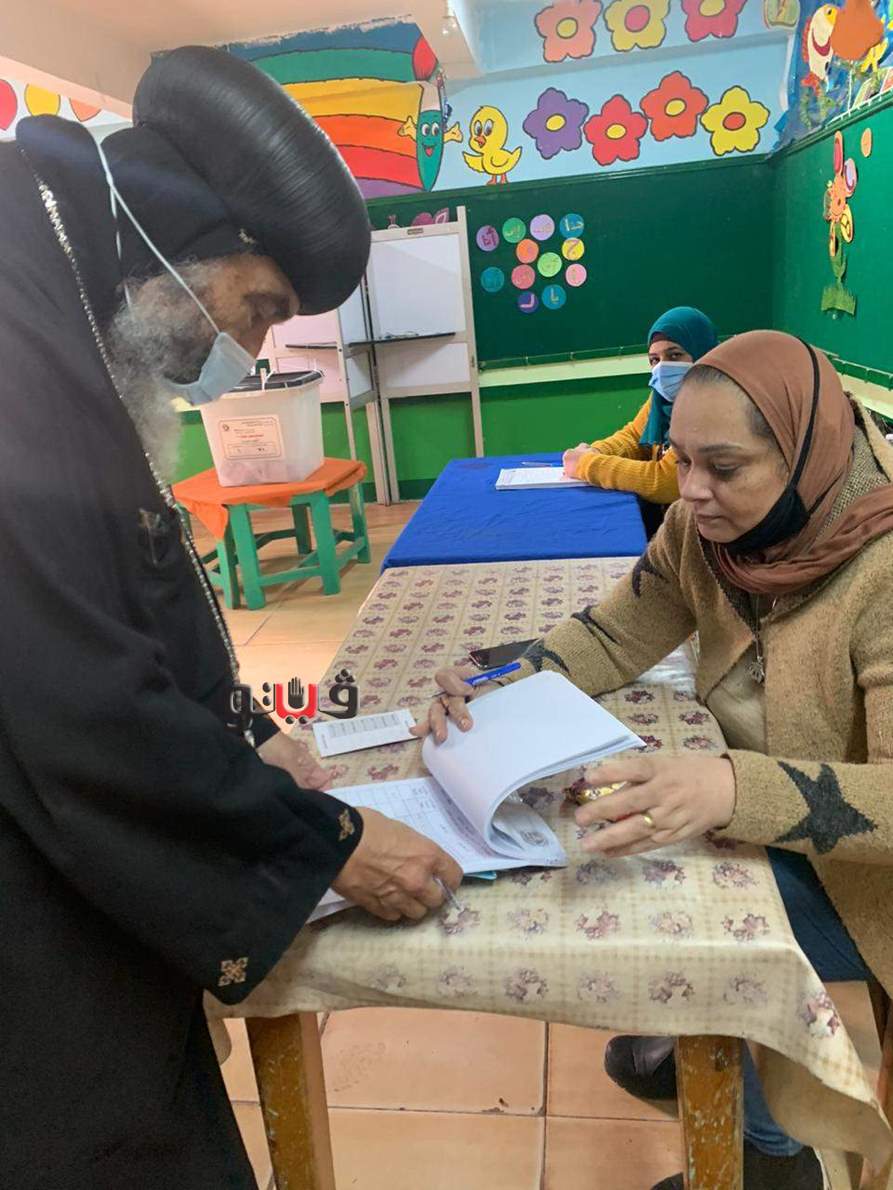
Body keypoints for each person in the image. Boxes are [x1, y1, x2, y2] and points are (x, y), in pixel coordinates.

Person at [2, 46, 462, 1189]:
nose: (250, 352)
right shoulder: (15, 335)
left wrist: (241, 734)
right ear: (184, 233)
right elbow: (72, 691)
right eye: (259, 307)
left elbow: (125, 580)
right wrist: (324, 842)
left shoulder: (64, 288)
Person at [417, 330, 893, 1190]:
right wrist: (505, 681)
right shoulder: (706, 536)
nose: (691, 491)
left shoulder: (882, 568)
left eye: (724, 467)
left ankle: (771, 1159)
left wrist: (727, 787)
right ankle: (700, 1048)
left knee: (686, 899)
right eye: (679, 459)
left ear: (804, 454)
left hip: (870, 879)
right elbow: (613, 632)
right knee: (637, 849)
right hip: (777, 811)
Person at [562, 306, 718, 538]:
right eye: (654, 359)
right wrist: (596, 450)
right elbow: (634, 437)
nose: (662, 367)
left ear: (703, 353)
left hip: (708, 536)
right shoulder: (662, 398)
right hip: (672, 525)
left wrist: (588, 465)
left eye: (675, 355)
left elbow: (667, 482)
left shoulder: (713, 407)